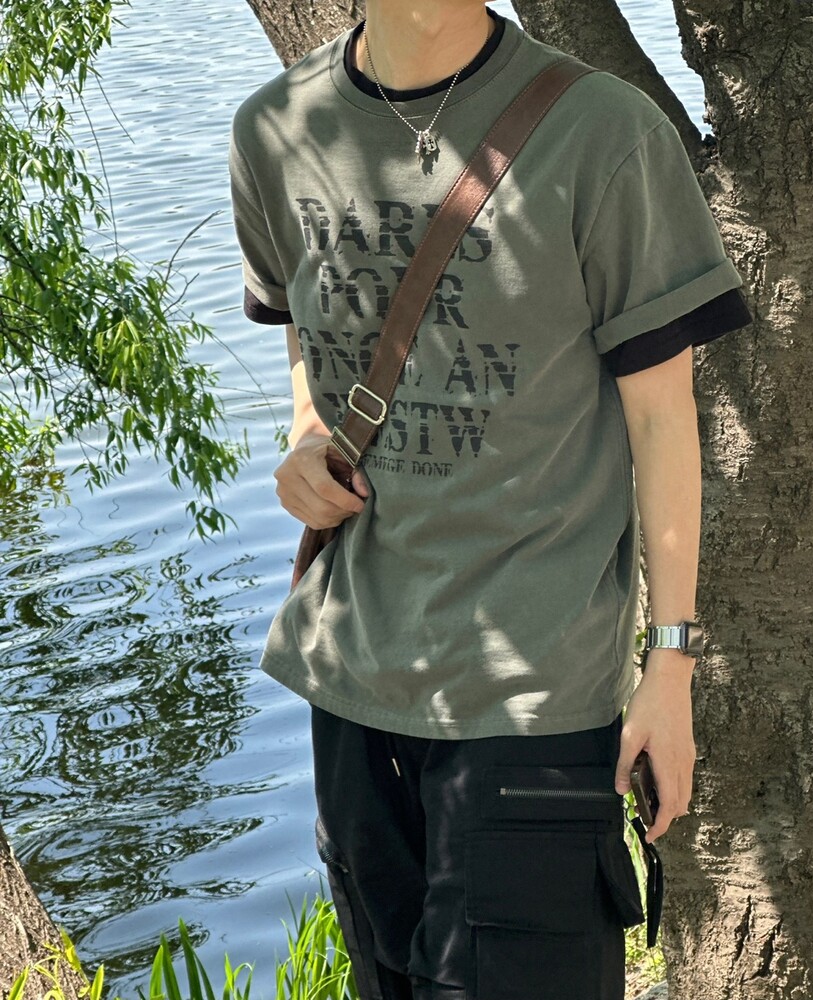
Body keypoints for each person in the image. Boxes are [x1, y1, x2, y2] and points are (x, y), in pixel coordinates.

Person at [229, 2, 751, 998]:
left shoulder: (604, 132)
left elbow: (662, 419)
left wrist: (670, 665)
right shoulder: (275, 130)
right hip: (353, 679)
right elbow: (304, 320)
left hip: (533, 692)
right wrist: (305, 436)